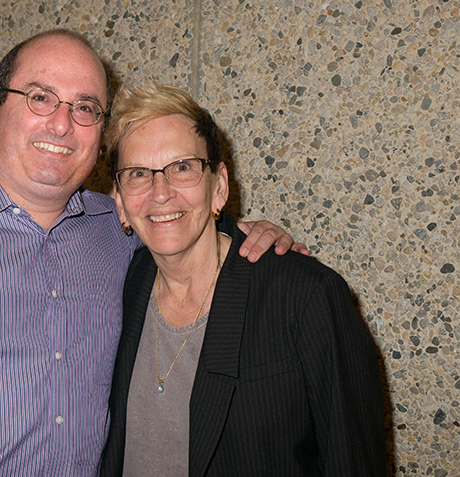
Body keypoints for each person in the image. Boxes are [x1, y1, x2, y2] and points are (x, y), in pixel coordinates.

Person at [0, 30, 306, 476]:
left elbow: (186, 228)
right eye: (41, 97)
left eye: (85, 107)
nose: (62, 124)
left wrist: (245, 234)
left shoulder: (122, 231)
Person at [99, 83, 386, 476]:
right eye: (137, 174)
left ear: (219, 187)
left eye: (182, 167)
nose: (160, 192)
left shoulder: (306, 297)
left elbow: (353, 463)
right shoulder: (122, 283)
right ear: (119, 200)